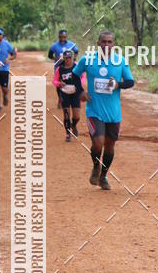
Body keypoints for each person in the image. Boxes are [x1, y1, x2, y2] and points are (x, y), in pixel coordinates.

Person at [73, 31, 134, 190]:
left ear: (113, 44)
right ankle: (95, 166)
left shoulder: (120, 61)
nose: (106, 45)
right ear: (98, 43)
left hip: (114, 113)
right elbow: (74, 76)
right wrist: (80, 91)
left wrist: (118, 85)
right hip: (95, 110)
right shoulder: (88, 59)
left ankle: (103, 176)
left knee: (110, 146)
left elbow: (130, 81)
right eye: (104, 42)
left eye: (110, 42)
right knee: (98, 143)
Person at [52, 48, 83, 141]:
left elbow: (83, 77)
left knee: (76, 116)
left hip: (75, 92)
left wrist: (79, 84)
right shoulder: (59, 69)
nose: (68, 59)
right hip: (64, 93)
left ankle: (73, 126)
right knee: (66, 115)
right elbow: (54, 80)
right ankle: (68, 134)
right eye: (66, 58)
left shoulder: (76, 66)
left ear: (73, 58)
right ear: (64, 59)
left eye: (70, 57)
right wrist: (59, 84)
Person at [48, 29, 78, 108]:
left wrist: (73, 59)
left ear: (66, 37)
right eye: (61, 37)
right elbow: (50, 55)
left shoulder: (71, 44)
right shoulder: (54, 45)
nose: (63, 39)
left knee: (69, 81)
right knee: (59, 83)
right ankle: (60, 99)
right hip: (59, 67)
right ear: (59, 37)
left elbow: (76, 52)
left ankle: (70, 99)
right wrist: (56, 58)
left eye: (64, 37)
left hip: (69, 67)